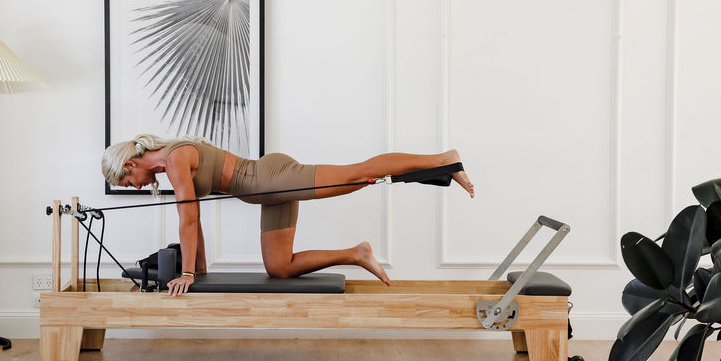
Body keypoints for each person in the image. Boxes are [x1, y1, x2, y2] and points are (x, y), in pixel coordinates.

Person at [102, 135, 474, 295]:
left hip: (271, 180)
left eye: (128, 180)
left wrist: (185, 273)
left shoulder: (174, 158)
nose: (134, 187)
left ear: (131, 163)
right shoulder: (171, 163)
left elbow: (188, 218)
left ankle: (442, 159)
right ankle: (356, 253)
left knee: (359, 174)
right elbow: (191, 220)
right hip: (268, 193)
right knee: (279, 268)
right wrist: (195, 272)